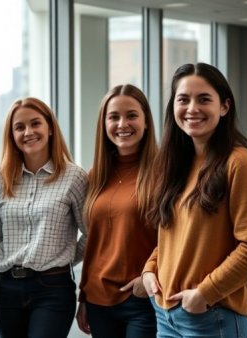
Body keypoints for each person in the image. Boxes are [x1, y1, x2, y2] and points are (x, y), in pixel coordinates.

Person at [142, 63, 247, 338]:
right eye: (183, 99)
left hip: (211, 315)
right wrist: (150, 269)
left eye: (204, 99)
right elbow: (175, 237)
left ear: (224, 107)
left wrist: (204, 294)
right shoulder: (178, 163)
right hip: (167, 314)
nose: (192, 108)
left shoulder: (240, 163)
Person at [0, 97, 88, 338]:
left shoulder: (74, 177)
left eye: (35, 124)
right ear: (11, 135)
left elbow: (91, 232)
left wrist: (63, 257)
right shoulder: (0, 179)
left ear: (50, 127)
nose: (28, 132)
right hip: (5, 288)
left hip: (52, 288)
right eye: (19, 127)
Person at [76, 84, 158, 337]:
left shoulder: (164, 173)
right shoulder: (96, 175)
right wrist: (84, 296)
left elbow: (178, 237)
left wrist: (151, 277)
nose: (123, 123)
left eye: (131, 115)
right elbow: (94, 240)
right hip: (99, 299)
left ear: (145, 121)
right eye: (114, 117)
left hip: (142, 298)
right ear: (104, 124)